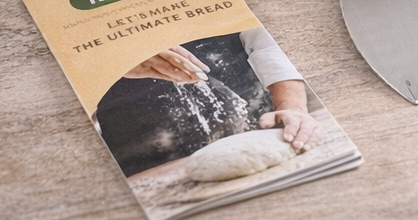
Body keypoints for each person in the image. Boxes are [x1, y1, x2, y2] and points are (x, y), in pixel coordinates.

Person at [95, 26, 322, 176]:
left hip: (262, 120)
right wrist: (108, 61)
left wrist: (291, 106)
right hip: (138, 151)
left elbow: (262, 36)